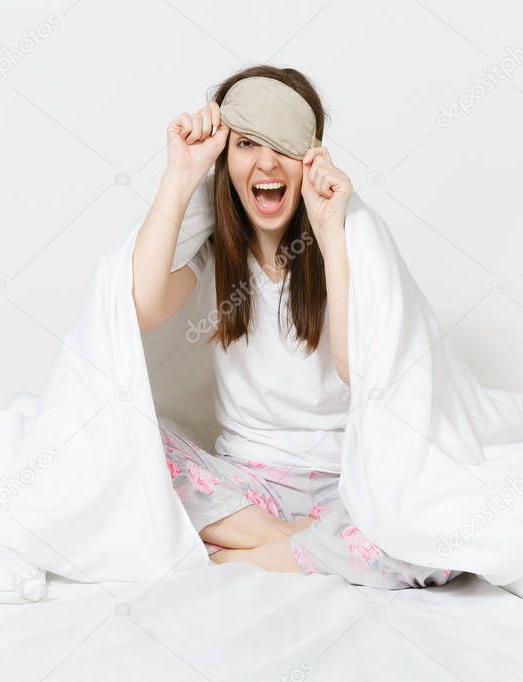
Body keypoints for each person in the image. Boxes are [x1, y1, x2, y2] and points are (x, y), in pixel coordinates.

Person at [132, 65, 460, 589]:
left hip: (346, 484)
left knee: (439, 537)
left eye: (282, 145)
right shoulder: (215, 243)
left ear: (311, 157)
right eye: (246, 143)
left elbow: (359, 371)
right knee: (119, 439)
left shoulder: (349, 236)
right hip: (246, 483)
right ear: (224, 155)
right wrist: (179, 174)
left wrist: (331, 237)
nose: (266, 163)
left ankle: (236, 556)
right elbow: (143, 305)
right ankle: (291, 539)